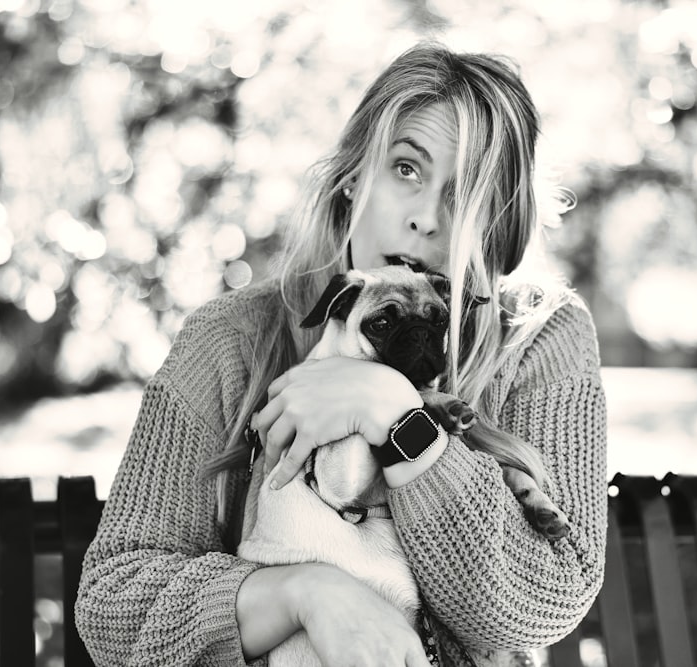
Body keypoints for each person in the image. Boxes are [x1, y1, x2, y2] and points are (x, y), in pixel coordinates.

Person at [75, 41, 607, 666]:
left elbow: (543, 601)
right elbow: (113, 603)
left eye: (461, 196)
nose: (425, 221)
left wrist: (397, 418)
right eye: (406, 169)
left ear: (497, 221)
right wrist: (308, 594)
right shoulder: (228, 340)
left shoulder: (540, 336)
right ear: (355, 176)